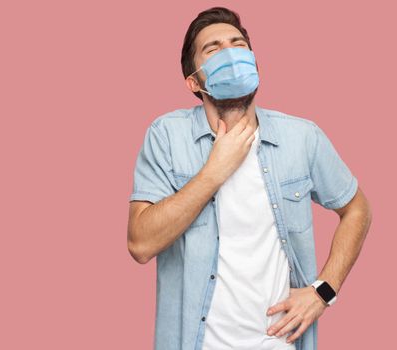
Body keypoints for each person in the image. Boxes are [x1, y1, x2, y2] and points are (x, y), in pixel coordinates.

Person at [127, 6, 372, 350]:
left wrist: (323, 291)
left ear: (256, 65)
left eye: (238, 43)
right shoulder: (167, 136)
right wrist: (214, 171)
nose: (230, 53)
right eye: (213, 49)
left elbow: (358, 209)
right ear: (194, 81)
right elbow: (140, 243)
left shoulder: (301, 137)